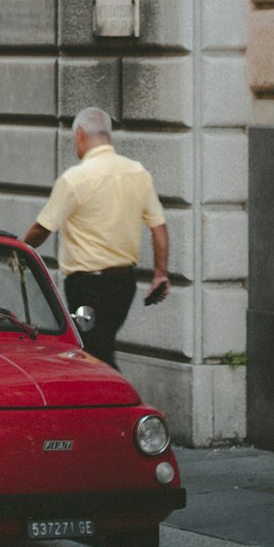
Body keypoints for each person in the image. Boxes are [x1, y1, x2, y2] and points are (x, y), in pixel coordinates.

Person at [22, 107, 169, 368]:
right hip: (124, 284)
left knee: (95, 355)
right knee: (101, 346)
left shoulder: (76, 179)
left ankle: (119, 405)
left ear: (79, 134)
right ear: (109, 136)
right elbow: (159, 228)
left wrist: (19, 250)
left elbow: (43, 228)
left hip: (87, 287)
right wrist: (160, 273)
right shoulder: (137, 172)